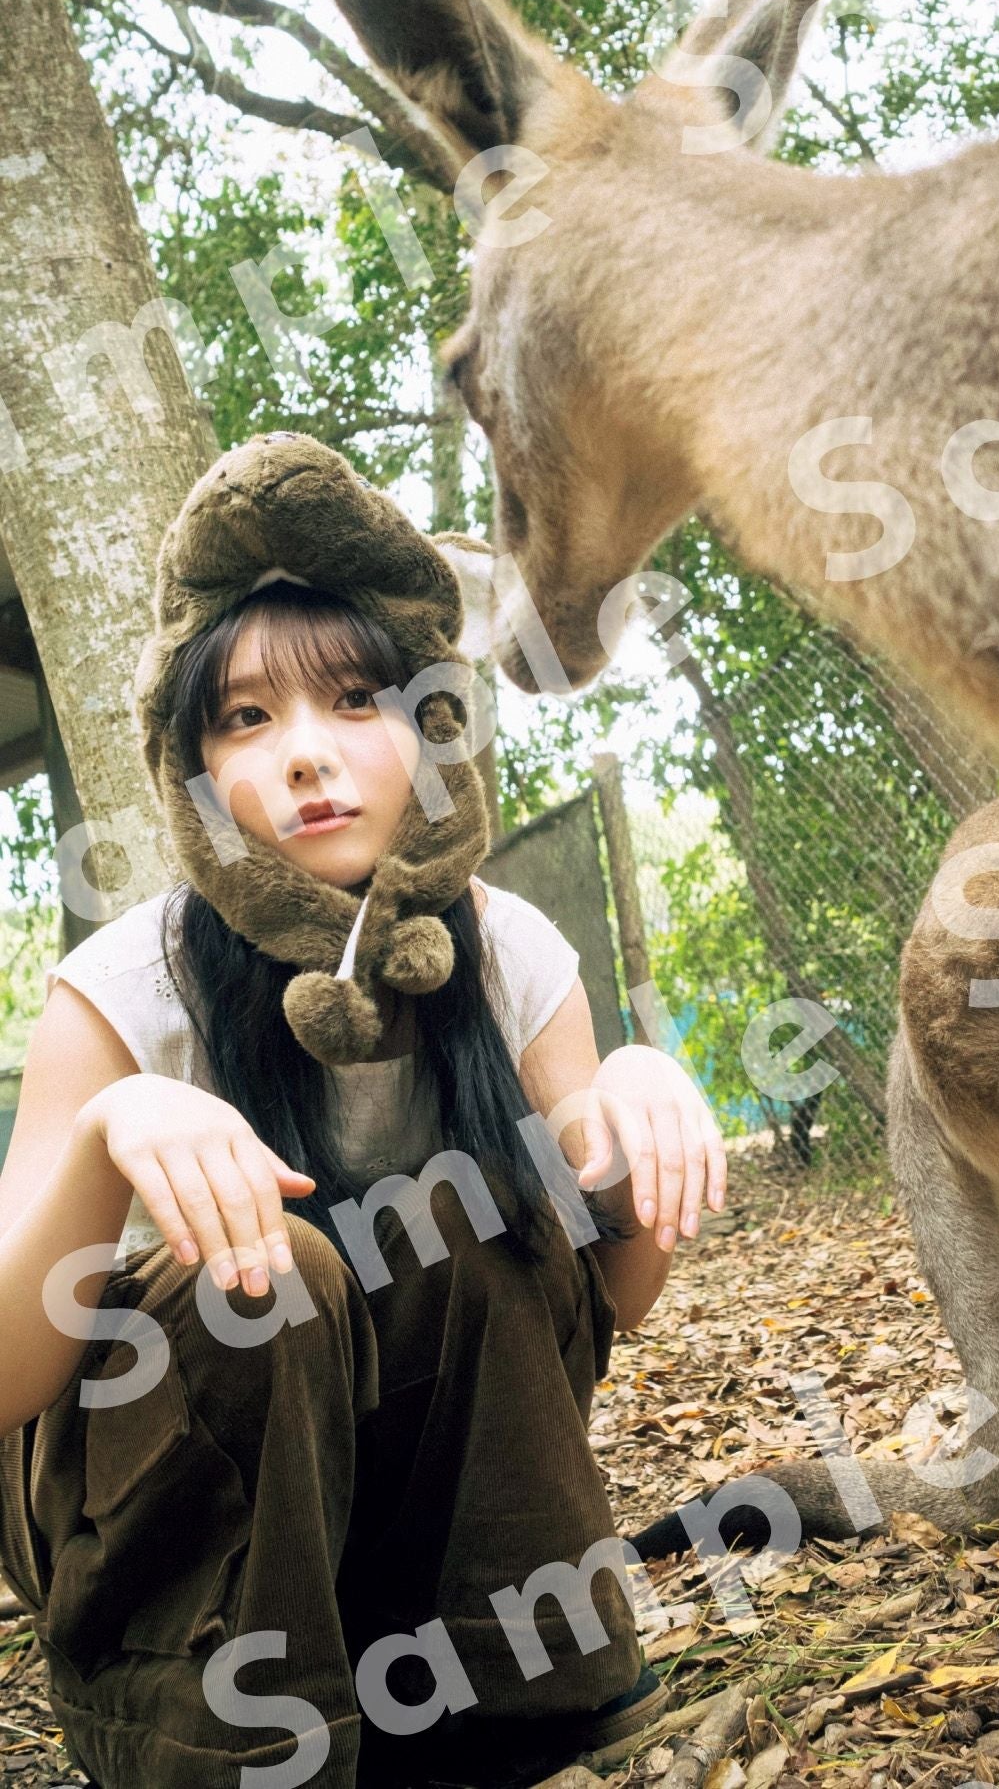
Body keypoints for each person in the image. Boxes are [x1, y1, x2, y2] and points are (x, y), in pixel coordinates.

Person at [0, 433, 728, 1789]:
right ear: (197, 770)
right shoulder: (121, 988)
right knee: (279, 1272)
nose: (307, 758)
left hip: (392, 1548)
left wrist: (632, 1097)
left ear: (431, 727)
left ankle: (517, 1697)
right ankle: (216, 1743)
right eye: (245, 718)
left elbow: (600, 1298)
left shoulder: (507, 956)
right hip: (160, 1554)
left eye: (353, 699)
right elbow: (8, 1384)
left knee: (466, 1214)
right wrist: (116, 1140)